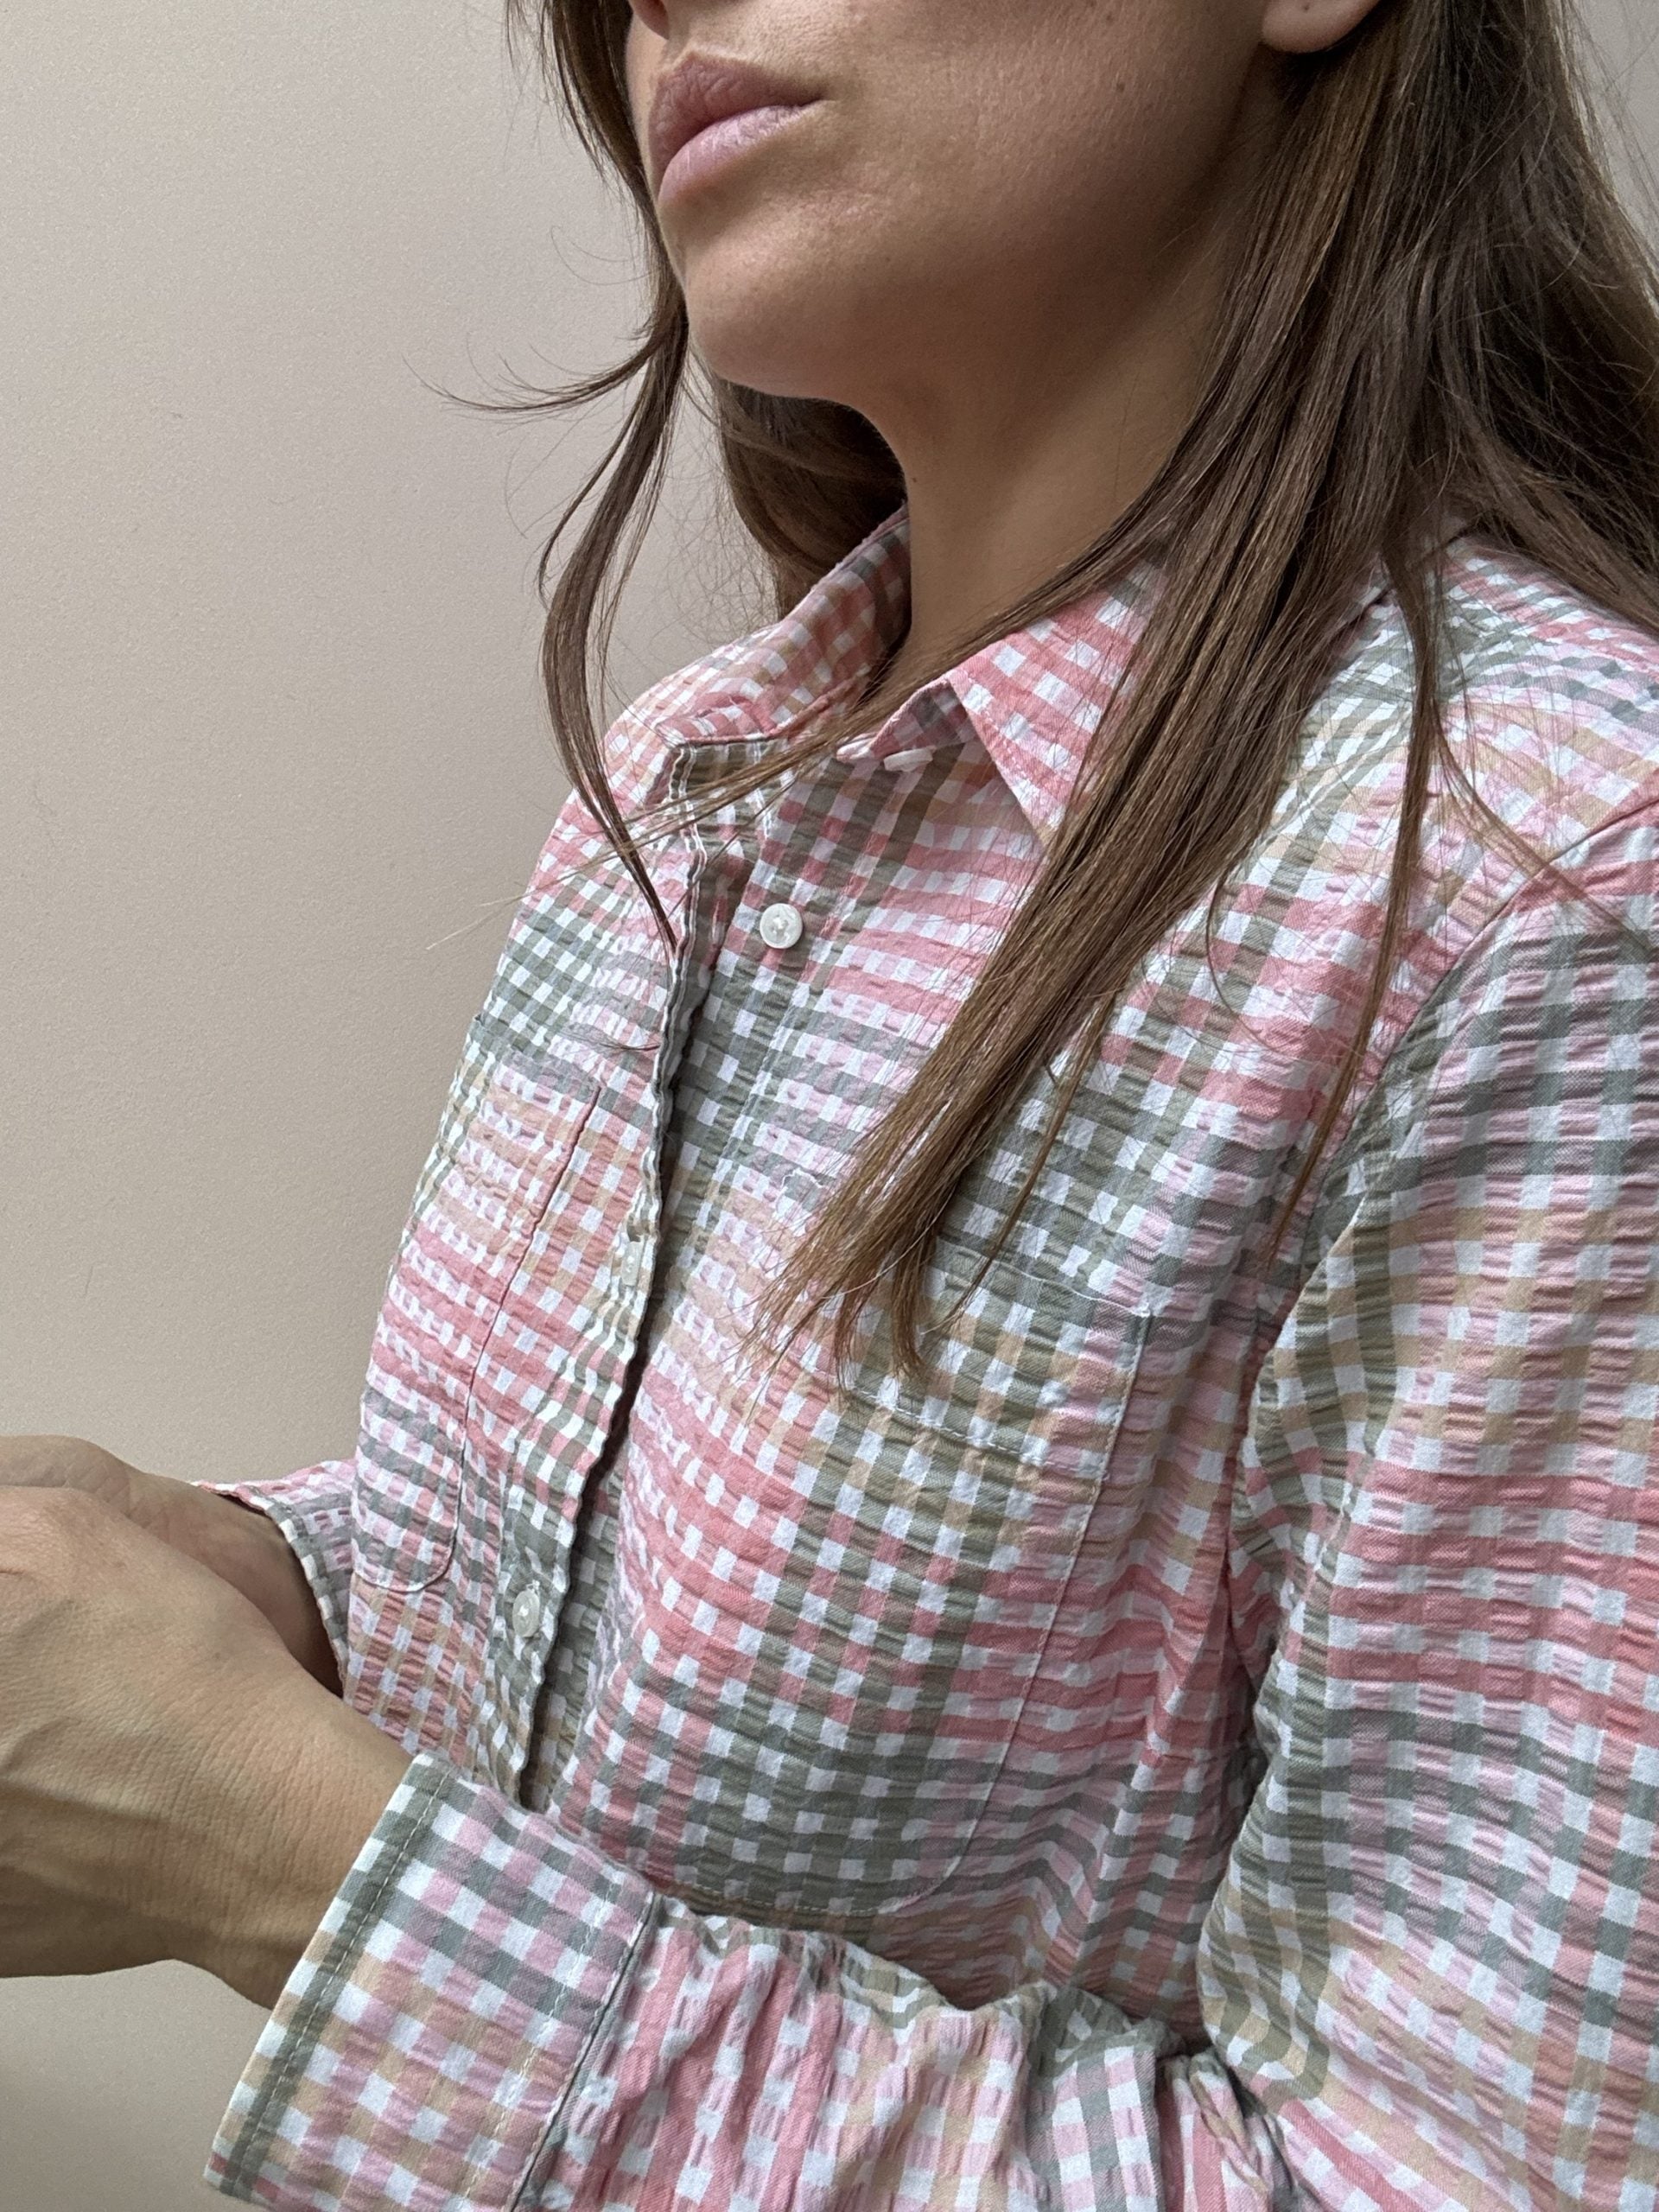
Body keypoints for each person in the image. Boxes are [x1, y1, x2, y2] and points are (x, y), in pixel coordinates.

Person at [5, 0, 1659, 2202]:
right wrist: (254, 1575)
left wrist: (283, 1864)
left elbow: (1446, 2172)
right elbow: (609, 1602)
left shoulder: (1558, 894)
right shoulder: (698, 782)